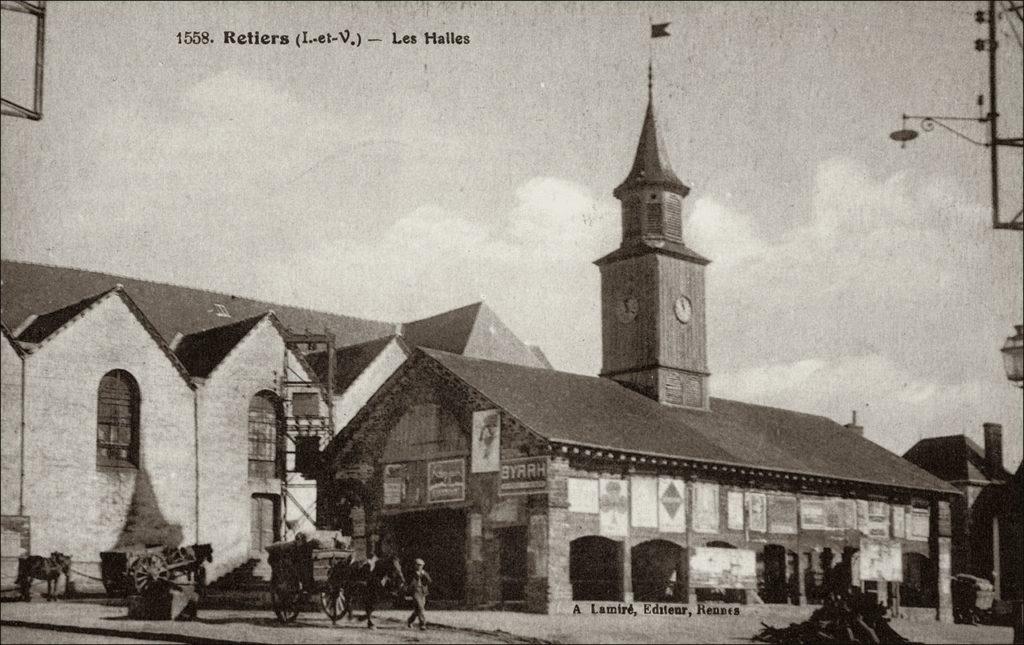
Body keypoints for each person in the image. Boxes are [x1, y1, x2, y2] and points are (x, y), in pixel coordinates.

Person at [406, 558, 432, 630]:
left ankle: (410, 620)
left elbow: (429, 581)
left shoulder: (425, 573)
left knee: (418, 610)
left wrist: (424, 575)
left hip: (423, 591)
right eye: (418, 565)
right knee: (420, 607)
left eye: (421, 565)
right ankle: (422, 624)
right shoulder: (412, 573)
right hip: (415, 591)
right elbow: (408, 582)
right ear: (415, 565)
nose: (419, 566)